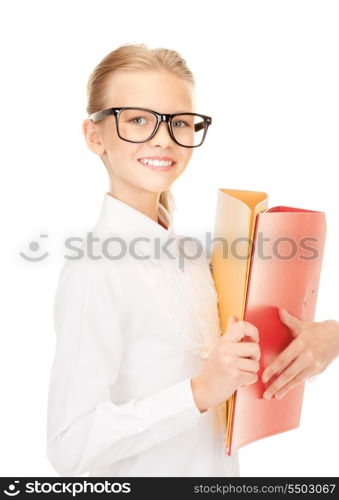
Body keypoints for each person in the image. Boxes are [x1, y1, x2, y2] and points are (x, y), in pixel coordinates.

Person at [46, 43, 339, 478]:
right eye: (138, 119)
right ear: (95, 136)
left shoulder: (196, 256)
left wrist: (325, 340)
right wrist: (199, 391)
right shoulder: (96, 269)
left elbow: (241, 365)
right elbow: (70, 445)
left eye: (179, 122)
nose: (163, 138)